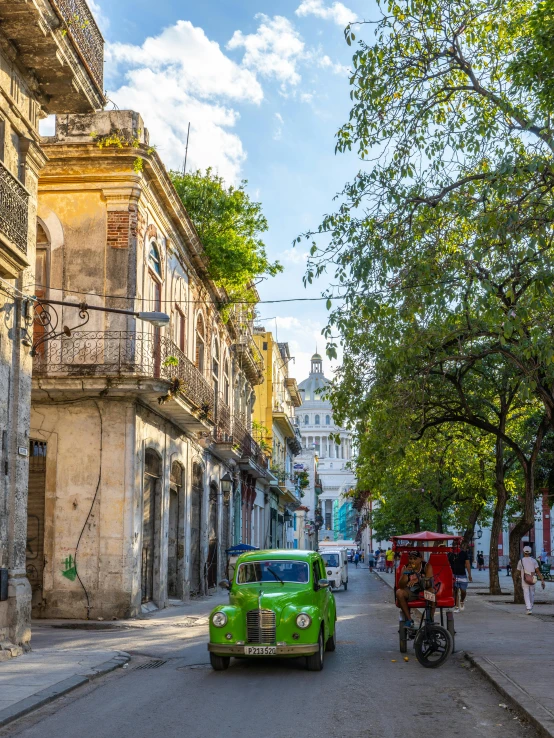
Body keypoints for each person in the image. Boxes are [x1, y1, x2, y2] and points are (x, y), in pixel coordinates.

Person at [396, 550, 434, 627]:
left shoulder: (427, 566)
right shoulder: (405, 567)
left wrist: (418, 579)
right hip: (411, 592)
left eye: (414, 558)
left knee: (432, 592)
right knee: (399, 592)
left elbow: (430, 582)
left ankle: (430, 619)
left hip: (424, 591)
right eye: (410, 558)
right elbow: (401, 585)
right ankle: (409, 619)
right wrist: (405, 574)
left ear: (420, 559)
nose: (412, 561)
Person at [517, 546, 545, 614]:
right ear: (530, 552)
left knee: (526, 593)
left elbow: (518, 571)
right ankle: (531, 607)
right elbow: (537, 571)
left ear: (523, 552)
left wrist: (519, 576)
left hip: (524, 580)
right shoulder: (534, 560)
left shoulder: (521, 561)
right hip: (532, 579)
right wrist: (542, 580)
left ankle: (528, 608)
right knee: (532, 594)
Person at [448, 541, 472, 612]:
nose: (455, 546)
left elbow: (467, 564)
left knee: (463, 591)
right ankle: (456, 607)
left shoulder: (464, 553)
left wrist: (470, 575)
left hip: (462, 575)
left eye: (456, 545)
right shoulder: (450, 554)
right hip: (453, 574)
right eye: (454, 545)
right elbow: (447, 564)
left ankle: (462, 601)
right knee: (455, 591)